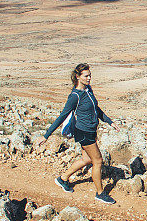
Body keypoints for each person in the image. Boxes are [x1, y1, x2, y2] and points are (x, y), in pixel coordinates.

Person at [37, 63, 119, 204]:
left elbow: (96, 109)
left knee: (87, 159)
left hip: (91, 130)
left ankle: (62, 178)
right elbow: (62, 116)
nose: (89, 78)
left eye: (90, 75)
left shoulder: (88, 90)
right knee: (97, 161)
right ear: (78, 77)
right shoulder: (75, 96)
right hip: (83, 132)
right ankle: (100, 193)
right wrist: (46, 135)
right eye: (86, 76)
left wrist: (109, 121)